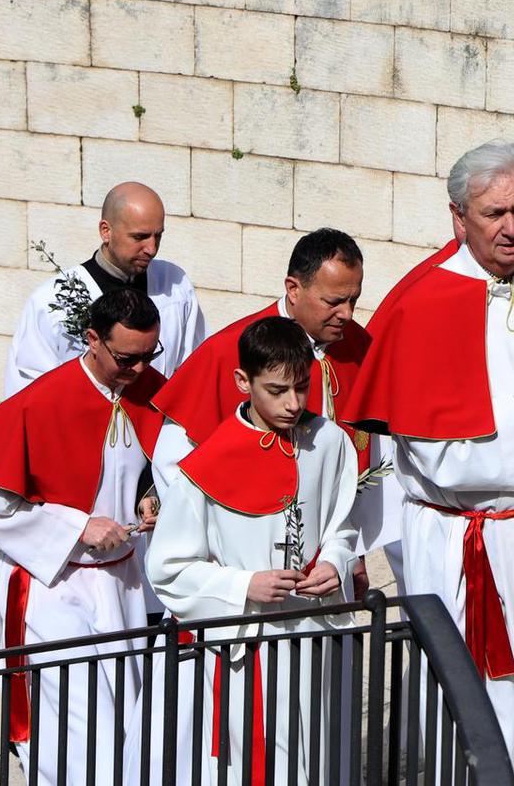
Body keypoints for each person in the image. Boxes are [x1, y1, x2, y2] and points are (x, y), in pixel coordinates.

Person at [344, 140, 514, 786]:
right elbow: (435, 456)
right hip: (463, 546)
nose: (511, 226)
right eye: (494, 212)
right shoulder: (422, 305)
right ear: (457, 217)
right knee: (477, 729)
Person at [0, 288, 167, 786]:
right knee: (73, 731)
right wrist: (78, 526)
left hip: (124, 581)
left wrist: (153, 495)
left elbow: (156, 463)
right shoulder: (43, 401)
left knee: (124, 721)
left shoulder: (149, 387)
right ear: (92, 340)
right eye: (126, 357)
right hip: (55, 586)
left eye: (148, 355)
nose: (139, 369)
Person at [146, 316, 360, 786]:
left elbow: (343, 527)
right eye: (277, 390)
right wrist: (245, 585)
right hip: (251, 647)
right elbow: (167, 571)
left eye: (302, 388)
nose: (293, 404)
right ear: (243, 381)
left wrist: (334, 563)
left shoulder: (330, 442)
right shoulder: (202, 468)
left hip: (315, 632)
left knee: (322, 757)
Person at [148, 228, 390, 593]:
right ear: (294, 289)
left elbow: (369, 463)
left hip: (322, 578)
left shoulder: (360, 348)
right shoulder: (228, 352)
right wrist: (229, 567)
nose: (348, 314)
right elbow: (174, 464)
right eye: (334, 301)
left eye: (354, 300)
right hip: (247, 575)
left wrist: (346, 555)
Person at [5, 181, 205, 395]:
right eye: (139, 237)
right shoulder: (52, 302)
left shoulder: (175, 285)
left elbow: (195, 370)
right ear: (106, 231)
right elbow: (30, 390)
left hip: (157, 424)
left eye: (158, 236)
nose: (151, 249)